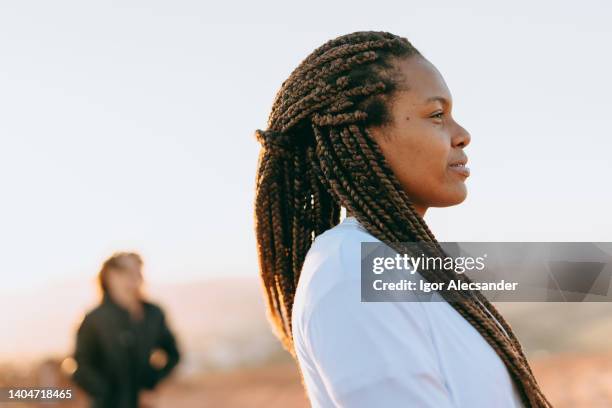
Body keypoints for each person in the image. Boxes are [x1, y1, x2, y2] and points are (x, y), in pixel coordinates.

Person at [253, 31, 552, 407]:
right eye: (437, 115)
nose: (462, 136)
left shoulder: (398, 262)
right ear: (363, 134)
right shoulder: (350, 268)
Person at [71, 252, 180, 408]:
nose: (133, 278)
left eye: (137, 271)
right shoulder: (94, 320)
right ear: (110, 277)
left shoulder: (153, 314)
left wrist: (151, 384)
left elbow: (173, 354)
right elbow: (80, 368)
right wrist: (108, 393)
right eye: (125, 272)